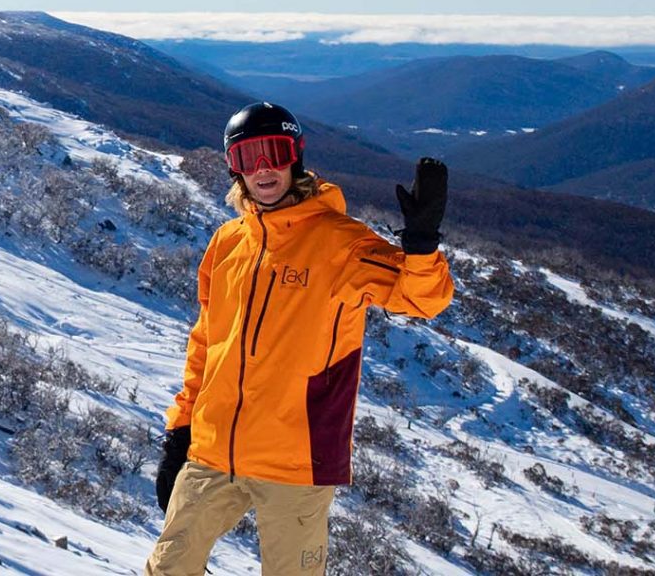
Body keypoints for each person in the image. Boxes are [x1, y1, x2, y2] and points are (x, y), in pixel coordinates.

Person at [146, 102, 453, 575]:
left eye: (275, 152)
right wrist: (180, 429)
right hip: (213, 450)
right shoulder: (228, 243)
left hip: (297, 459)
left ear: (296, 157)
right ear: (235, 168)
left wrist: (422, 247)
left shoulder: (340, 243)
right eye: (250, 157)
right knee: (166, 569)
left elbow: (420, 299)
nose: (264, 168)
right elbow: (206, 343)